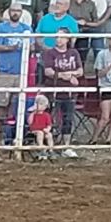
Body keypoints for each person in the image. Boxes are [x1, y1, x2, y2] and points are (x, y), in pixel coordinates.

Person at [39, 27, 83, 157]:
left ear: (68, 39)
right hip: (53, 91)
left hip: (69, 92)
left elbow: (80, 71)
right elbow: (48, 71)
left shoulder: (74, 53)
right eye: (57, 37)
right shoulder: (50, 53)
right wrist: (67, 76)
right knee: (49, 119)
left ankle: (66, 146)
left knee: (68, 118)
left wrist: (68, 74)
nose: (59, 39)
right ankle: (48, 146)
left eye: (62, 37)